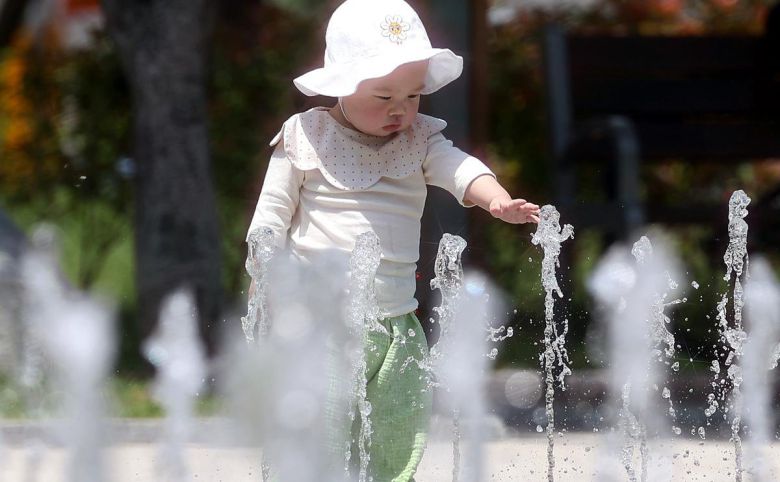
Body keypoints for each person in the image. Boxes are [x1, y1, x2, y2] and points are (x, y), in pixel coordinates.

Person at [246, 0, 540, 480]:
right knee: (321, 424)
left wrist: (496, 201)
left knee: (399, 426)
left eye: (412, 96)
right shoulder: (306, 134)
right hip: (320, 322)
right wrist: (263, 270)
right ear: (341, 84)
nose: (400, 110)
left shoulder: (420, 139)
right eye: (384, 97)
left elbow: (460, 168)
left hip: (398, 323)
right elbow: (272, 213)